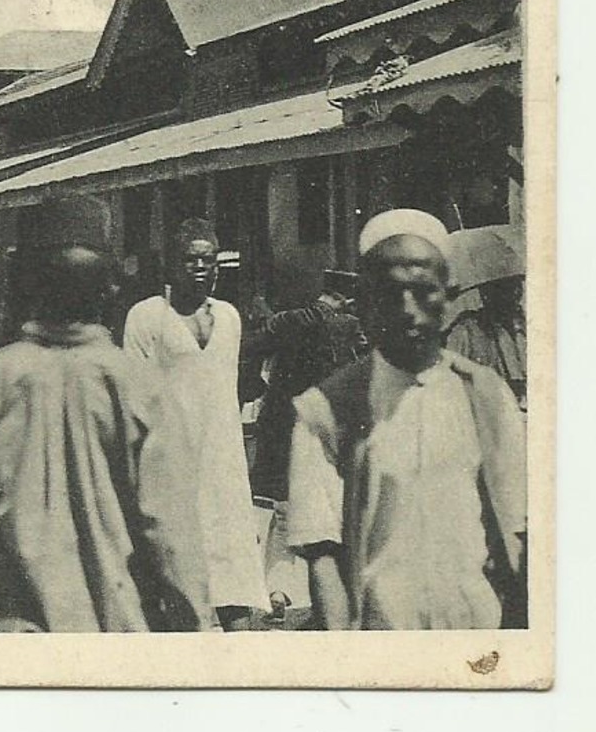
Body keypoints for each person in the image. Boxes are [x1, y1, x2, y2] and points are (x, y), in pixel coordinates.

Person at [0, 196, 210, 633]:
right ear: (110, 290)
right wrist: (195, 635)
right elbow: (171, 534)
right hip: (120, 635)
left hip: (14, 638)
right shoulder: (142, 388)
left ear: (26, 285)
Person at [286, 209, 527, 631]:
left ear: (448, 296)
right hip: (384, 644)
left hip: (477, 636)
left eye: (422, 291)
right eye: (389, 294)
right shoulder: (326, 410)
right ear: (366, 303)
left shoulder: (484, 395)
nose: (408, 310)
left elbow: (519, 532)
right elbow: (322, 554)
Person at [123, 218, 269, 630]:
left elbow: (224, 388)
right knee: (174, 571)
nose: (202, 268)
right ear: (170, 265)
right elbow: (134, 396)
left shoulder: (230, 317)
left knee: (232, 568)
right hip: (170, 459)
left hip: (222, 458)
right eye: (191, 260)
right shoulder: (147, 317)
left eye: (209, 260)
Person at [243, 270, 367, 502]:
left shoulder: (288, 320)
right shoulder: (347, 325)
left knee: (282, 498)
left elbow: (254, 344)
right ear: (347, 299)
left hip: (285, 421)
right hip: (324, 421)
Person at [447, 275, 527, 408]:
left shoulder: (525, 326)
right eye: (504, 289)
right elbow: (449, 383)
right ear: (486, 295)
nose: (515, 295)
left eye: (517, 286)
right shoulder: (466, 331)